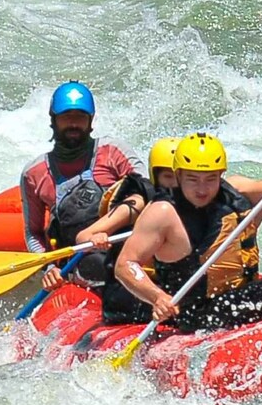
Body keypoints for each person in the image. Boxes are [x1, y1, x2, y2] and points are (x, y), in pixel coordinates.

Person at [115, 132, 262, 333]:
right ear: (178, 175)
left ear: (221, 174)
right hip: (201, 316)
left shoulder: (234, 189)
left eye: (211, 178)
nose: (202, 189)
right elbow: (125, 265)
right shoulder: (162, 212)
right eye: (193, 178)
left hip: (238, 299)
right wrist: (157, 297)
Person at [41, 137, 182, 324]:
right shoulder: (139, 203)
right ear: (156, 177)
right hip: (133, 285)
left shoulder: (200, 199)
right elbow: (84, 236)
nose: (176, 184)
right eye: (168, 177)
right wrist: (97, 238)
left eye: (182, 176)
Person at [20, 81, 144, 283]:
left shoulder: (113, 151)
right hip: (78, 262)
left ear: (91, 120)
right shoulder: (34, 173)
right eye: (66, 118)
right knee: (95, 263)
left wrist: (102, 230)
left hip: (123, 247)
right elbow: (33, 233)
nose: (73, 124)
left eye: (80, 118)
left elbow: (148, 192)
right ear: (53, 120)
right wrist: (48, 267)